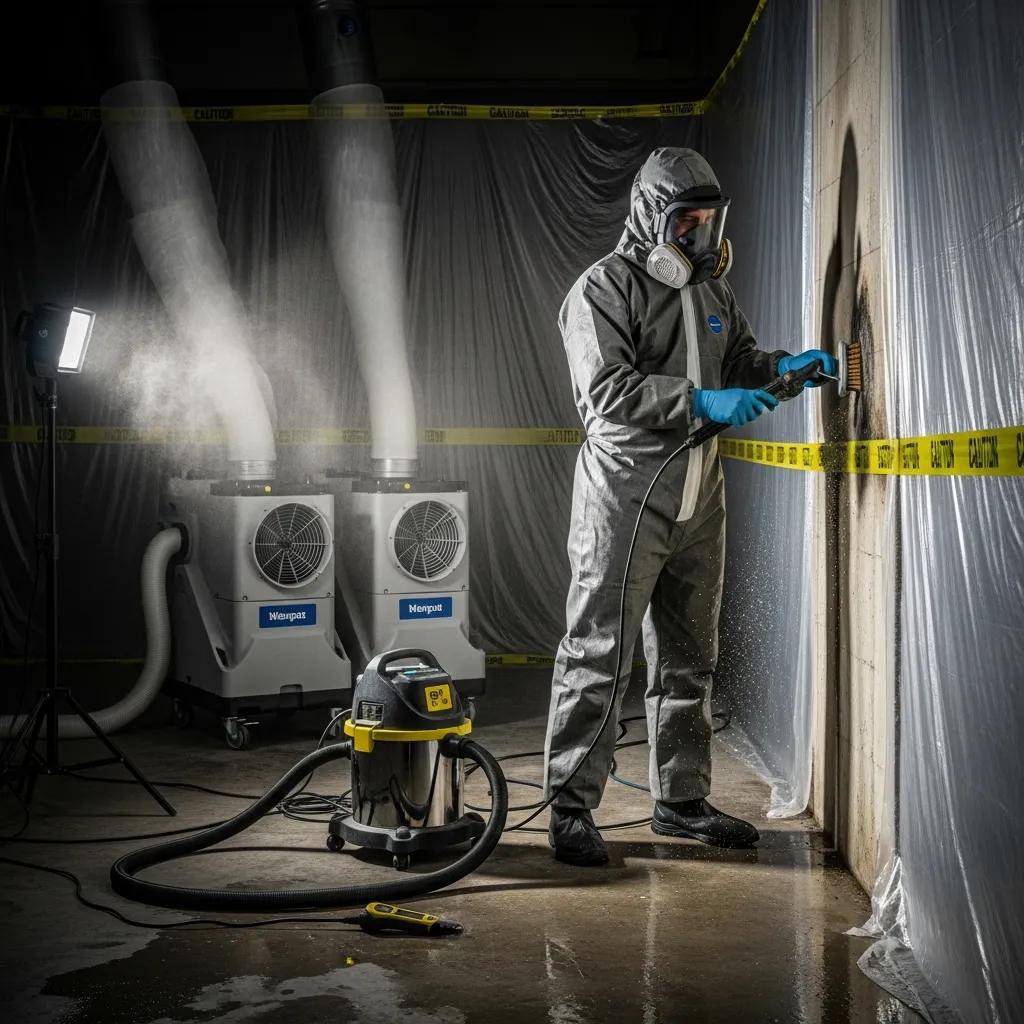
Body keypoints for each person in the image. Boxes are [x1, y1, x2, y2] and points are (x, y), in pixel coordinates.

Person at [543, 147, 835, 866]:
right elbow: (605, 395)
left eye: (709, 220)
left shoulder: (711, 294)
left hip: (699, 496)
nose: (701, 235)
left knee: (688, 660)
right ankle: (572, 810)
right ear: (651, 216)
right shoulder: (602, 289)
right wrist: (701, 402)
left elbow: (738, 364)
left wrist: (783, 370)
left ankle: (679, 800)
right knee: (599, 653)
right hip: (627, 497)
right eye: (688, 221)